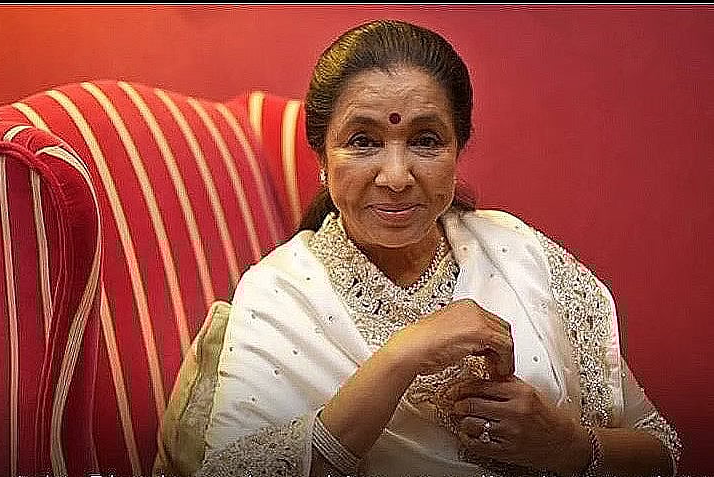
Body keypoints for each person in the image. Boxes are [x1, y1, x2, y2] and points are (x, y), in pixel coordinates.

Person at [188, 19, 681, 477]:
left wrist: (568, 446)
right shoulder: (279, 292)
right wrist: (400, 358)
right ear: (322, 156)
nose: (396, 177)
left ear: (457, 150)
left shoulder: (517, 251)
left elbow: (662, 449)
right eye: (363, 141)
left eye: (425, 140)